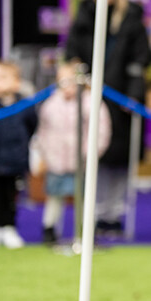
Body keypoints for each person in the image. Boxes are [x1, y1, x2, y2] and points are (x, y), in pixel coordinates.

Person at [65, 0, 151, 235]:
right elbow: (72, 55)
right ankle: (94, 212)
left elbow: (141, 60)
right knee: (94, 156)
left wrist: (135, 96)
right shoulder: (82, 18)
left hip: (121, 98)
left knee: (119, 157)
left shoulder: (131, 18)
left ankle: (114, 213)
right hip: (91, 98)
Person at [32, 61, 111, 244]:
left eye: (71, 81)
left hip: (82, 162)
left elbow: (101, 130)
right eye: (63, 81)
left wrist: (91, 153)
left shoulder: (91, 103)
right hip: (56, 161)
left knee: (85, 197)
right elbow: (43, 131)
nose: (67, 87)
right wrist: (44, 154)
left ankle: (87, 231)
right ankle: (49, 229)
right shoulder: (50, 104)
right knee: (54, 196)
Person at [0, 60, 38, 249]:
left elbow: (32, 126)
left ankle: (9, 227)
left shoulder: (24, 105)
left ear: (16, 82)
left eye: (2, 77)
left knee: (11, 196)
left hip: (15, 160)